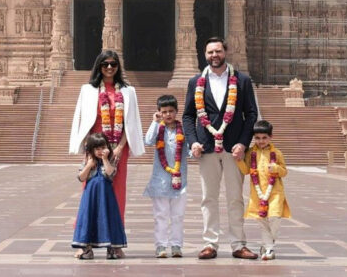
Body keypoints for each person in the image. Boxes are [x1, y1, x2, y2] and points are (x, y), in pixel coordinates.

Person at [182, 36, 259, 260]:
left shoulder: (242, 81)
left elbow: (251, 114)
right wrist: (193, 141)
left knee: (235, 197)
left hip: (233, 146)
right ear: (204, 55)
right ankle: (210, 243)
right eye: (210, 52)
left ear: (225, 52)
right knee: (209, 197)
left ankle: (238, 243)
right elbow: (188, 115)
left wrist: (243, 143)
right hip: (206, 147)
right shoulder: (195, 82)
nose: (214, 56)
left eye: (218, 51)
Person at [69, 50, 144, 223]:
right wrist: (90, 149)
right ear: (99, 66)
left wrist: (120, 147)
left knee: (118, 189)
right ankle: (85, 239)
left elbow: (130, 122)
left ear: (118, 67)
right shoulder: (88, 90)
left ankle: (115, 242)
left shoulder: (128, 91)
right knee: (91, 187)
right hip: (95, 146)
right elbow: (83, 119)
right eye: (105, 64)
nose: (109, 67)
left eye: (113, 64)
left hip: (118, 146)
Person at [235, 120, 291, 261]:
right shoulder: (251, 153)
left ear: (271, 137)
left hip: (275, 192)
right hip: (257, 193)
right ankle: (269, 248)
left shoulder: (277, 153)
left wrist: (277, 169)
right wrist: (239, 160)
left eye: (264, 138)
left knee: (274, 218)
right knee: (262, 222)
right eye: (258, 138)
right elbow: (247, 170)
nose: (261, 141)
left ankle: (268, 244)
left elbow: (284, 172)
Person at [143, 94, 189, 258]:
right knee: (160, 215)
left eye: (171, 111)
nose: (168, 114)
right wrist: (155, 122)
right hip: (160, 180)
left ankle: (176, 245)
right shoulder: (158, 128)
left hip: (179, 180)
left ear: (176, 112)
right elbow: (148, 141)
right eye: (164, 112)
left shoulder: (183, 130)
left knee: (178, 216)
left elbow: (190, 151)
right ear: (159, 113)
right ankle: (161, 245)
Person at [72, 133, 127, 259]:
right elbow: (81, 177)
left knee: (108, 218)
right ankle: (87, 249)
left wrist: (105, 159)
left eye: (103, 147)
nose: (101, 151)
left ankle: (112, 248)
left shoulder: (111, 159)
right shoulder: (87, 160)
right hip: (90, 197)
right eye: (97, 149)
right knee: (88, 218)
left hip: (106, 197)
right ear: (91, 149)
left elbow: (111, 173)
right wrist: (89, 165)